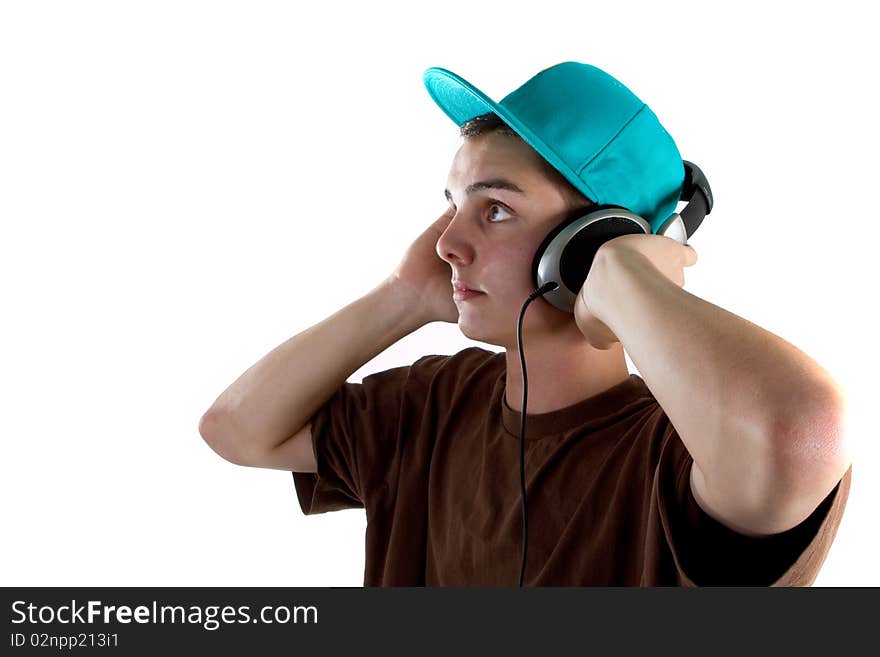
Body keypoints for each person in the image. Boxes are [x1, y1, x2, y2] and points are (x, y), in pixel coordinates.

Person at [199, 62, 852, 586]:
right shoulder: (429, 404)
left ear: (588, 244)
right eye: (454, 205)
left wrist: (626, 278)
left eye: (496, 210)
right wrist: (402, 295)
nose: (446, 243)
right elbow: (235, 428)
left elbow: (805, 434)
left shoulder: (684, 456)